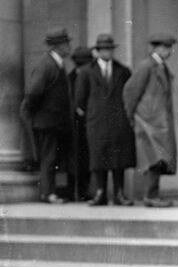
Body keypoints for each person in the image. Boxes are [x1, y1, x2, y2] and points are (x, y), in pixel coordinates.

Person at [76, 34, 136, 206]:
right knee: (98, 157)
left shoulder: (123, 71)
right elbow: (79, 99)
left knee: (119, 158)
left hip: (118, 121)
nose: (107, 52)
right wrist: (93, 114)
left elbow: (129, 95)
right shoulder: (87, 71)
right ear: (98, 51)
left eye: (109, 49)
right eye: (103, 49)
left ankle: (119, 193)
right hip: (97, 121)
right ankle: (100, 192)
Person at [123, 33, 178, 207]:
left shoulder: (160, 66)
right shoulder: (146, 66)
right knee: (153, 159)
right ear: (158, 48)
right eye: (166, 47)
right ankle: (150, 196)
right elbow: (130, 92)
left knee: (158, 159)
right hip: (149, 122)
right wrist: (133, 116)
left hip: (158, 122)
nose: (169, 51)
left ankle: (153, 195)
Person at [21, 27, 73, 204]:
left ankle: (50, 192)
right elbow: (33, 93)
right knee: (49, 158)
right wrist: (37, 112)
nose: (69, 46)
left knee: (51, 158)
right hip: (47, 122)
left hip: (53, 121)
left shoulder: (54, 63)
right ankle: (47, 193)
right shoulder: (47, 65)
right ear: (57, 46)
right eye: (66, 43)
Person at [69, 46, 93, 202]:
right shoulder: (69, 78)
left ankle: (84, 191)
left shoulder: (89, 75)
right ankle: (74, 191)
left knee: (86, 159)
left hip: (87, 123)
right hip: (73, 125)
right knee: (74, 160)